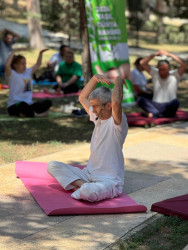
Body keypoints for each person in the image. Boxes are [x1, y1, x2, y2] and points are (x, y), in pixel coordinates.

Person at [47, 74, 128, 202]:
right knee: (52, 166)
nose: (92, 110)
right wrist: (95, 78)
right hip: (87, 175)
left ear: (108, 106)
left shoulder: (117, 123)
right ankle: (82, 185)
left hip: (108, 181)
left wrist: (118, 79)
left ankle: (81, 187)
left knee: (89, 192)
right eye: (92, 106)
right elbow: (82, 97)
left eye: (95, 106)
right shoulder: (97, 118)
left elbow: (117, 102)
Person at [137, 50, 187, 118]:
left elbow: (184, 64)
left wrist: (169, 55)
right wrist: (155, 54)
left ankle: (155, 114)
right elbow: (142, 62)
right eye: (160, 69)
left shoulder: (175, 74)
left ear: (169, 69)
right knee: (140, 100)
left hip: (169, 104)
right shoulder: (155, 73)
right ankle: (158, 114)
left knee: (176, 102)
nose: (162, 72)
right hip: (156, 104)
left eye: (164, 69)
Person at [5, 49, 52, 117]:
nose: (24, 65)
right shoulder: (11, 74)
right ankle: (36, 115)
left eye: (25, 63)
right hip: (15, 105)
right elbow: (7, 66)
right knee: (22, 105)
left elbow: (38, 65)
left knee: (47, 103)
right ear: (15, 65)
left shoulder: (28, 72)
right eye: (22, 63)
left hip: (29, 104)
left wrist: (40, 54)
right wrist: (13, 52)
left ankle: (25, 114)